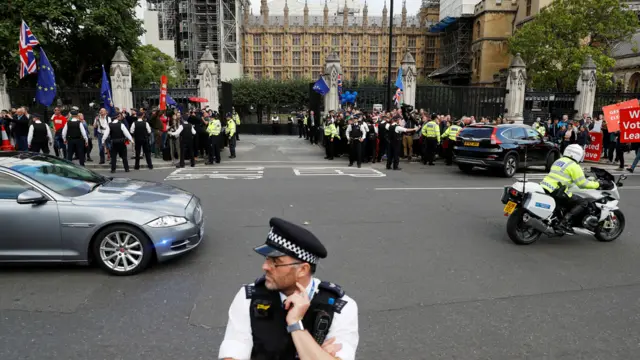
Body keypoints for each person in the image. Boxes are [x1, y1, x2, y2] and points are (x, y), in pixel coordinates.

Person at [219, 217, 359, 360]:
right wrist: (317, 354)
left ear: (303, 270)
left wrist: (295, 323)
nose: (265, 267)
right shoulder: (249, 297)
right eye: (267, 259)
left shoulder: (339, 307)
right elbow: (232, 352)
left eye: (276, 262)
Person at [540, 144, 600, 233]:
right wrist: (597, 184)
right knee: (583, 202)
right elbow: (582, 184)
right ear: (578, 154)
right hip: (557, 190)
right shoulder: (574, 166)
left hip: (545, 186)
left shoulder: (559, 161)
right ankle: (564, 222)